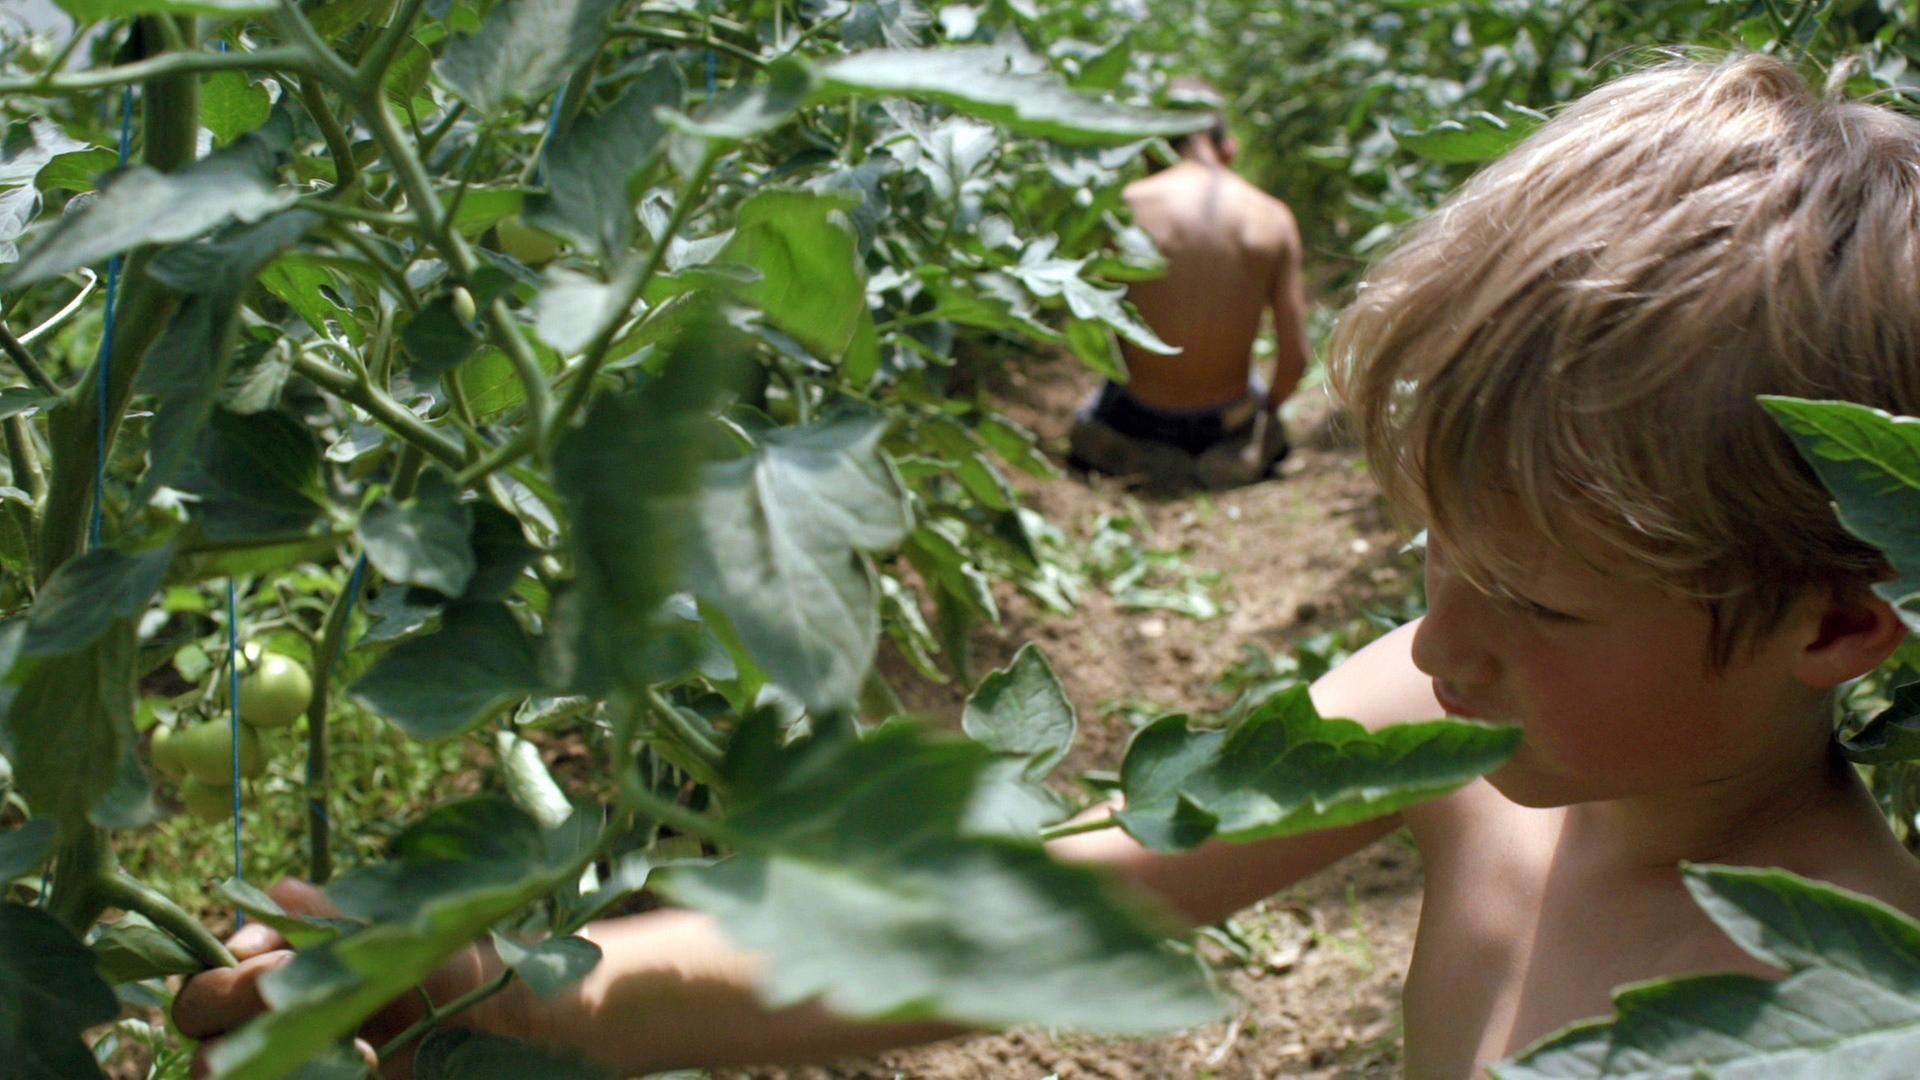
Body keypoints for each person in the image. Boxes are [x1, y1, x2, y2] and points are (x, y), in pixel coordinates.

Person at [177, 54, 1920, 1079]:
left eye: (1535, 602)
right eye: (1434, 554)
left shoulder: (1822, 1013)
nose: (1442, 640)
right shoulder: (1456, 721)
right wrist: (521, 992)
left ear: (1841, 619)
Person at [1067, 79, 1311, 490]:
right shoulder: (1272, 217)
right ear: (1228, 149)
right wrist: (1266, 413)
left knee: (1100, 399)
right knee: (1253, 401)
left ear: (1150, 148)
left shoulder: (1123, 209)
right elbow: (1295, 360)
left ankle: (1134, 453)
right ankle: (1239, 449)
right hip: (1225, 418)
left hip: (1140, 415)